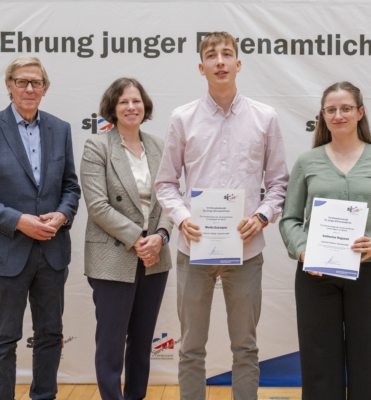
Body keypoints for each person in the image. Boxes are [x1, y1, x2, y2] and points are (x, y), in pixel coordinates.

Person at [154, 31, 289, 400]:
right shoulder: (182, 118)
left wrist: (261, 217)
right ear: (201, 67)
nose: (220, 61)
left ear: (238, 64)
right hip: (194, 247)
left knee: (245, 348)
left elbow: (278, 183)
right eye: (211, 56)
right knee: (190, 348)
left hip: (246, 251)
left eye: (227, 54)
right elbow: (165, 183)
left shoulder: (265, 117)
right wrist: (182, 218)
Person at [279, 81, 371, 400]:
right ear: (323, 116)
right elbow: (290, 219)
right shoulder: (307, 162)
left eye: (345, 108)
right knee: (318, 361)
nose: (338, 115)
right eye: (331, 109)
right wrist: (302, 250)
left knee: (369, 359)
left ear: (360, 112)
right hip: (316, 275)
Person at [80, 78, 173, 400]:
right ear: (113, 109)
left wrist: (160, 236)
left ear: (144, 105)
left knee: (143, 338)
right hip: (113, 255)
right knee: (111, 341)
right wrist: (139, 239)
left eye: (136, 101)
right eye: (123, 102)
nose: (131, 107)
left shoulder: (160, 146)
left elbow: (169, 198)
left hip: (155, 255)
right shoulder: (97, 146)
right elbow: (97, 206)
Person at [0, 56, 80, 400]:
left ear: (45, 89)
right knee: (4, 339)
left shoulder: (59, 129)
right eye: (22, 81)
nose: (29, 89)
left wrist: (62, 215)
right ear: (9, 85)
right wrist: (18, 221)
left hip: (52, 253)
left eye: (36, 83)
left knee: (50, 334)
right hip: (9, 254)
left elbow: (71, 187)